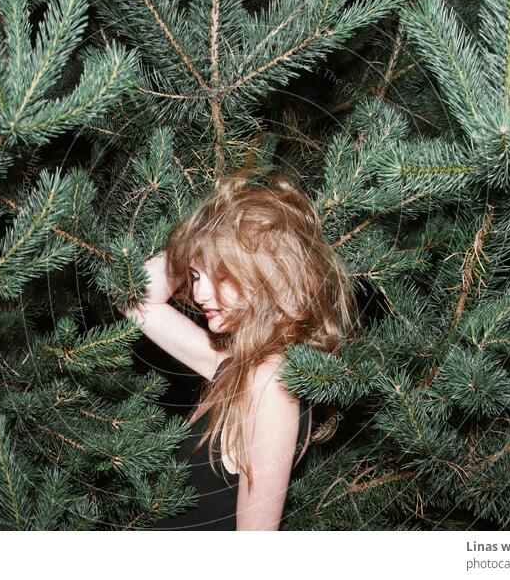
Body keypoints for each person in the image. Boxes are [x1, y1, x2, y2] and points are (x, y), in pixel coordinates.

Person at [117, 173, 356, 530]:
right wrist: (198, 237)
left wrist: (239, 234)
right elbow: (131, 297)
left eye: (221, 274)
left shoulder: (271, 382)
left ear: (267, 273)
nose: (199, 295)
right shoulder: (234, 365)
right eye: (196, 276)